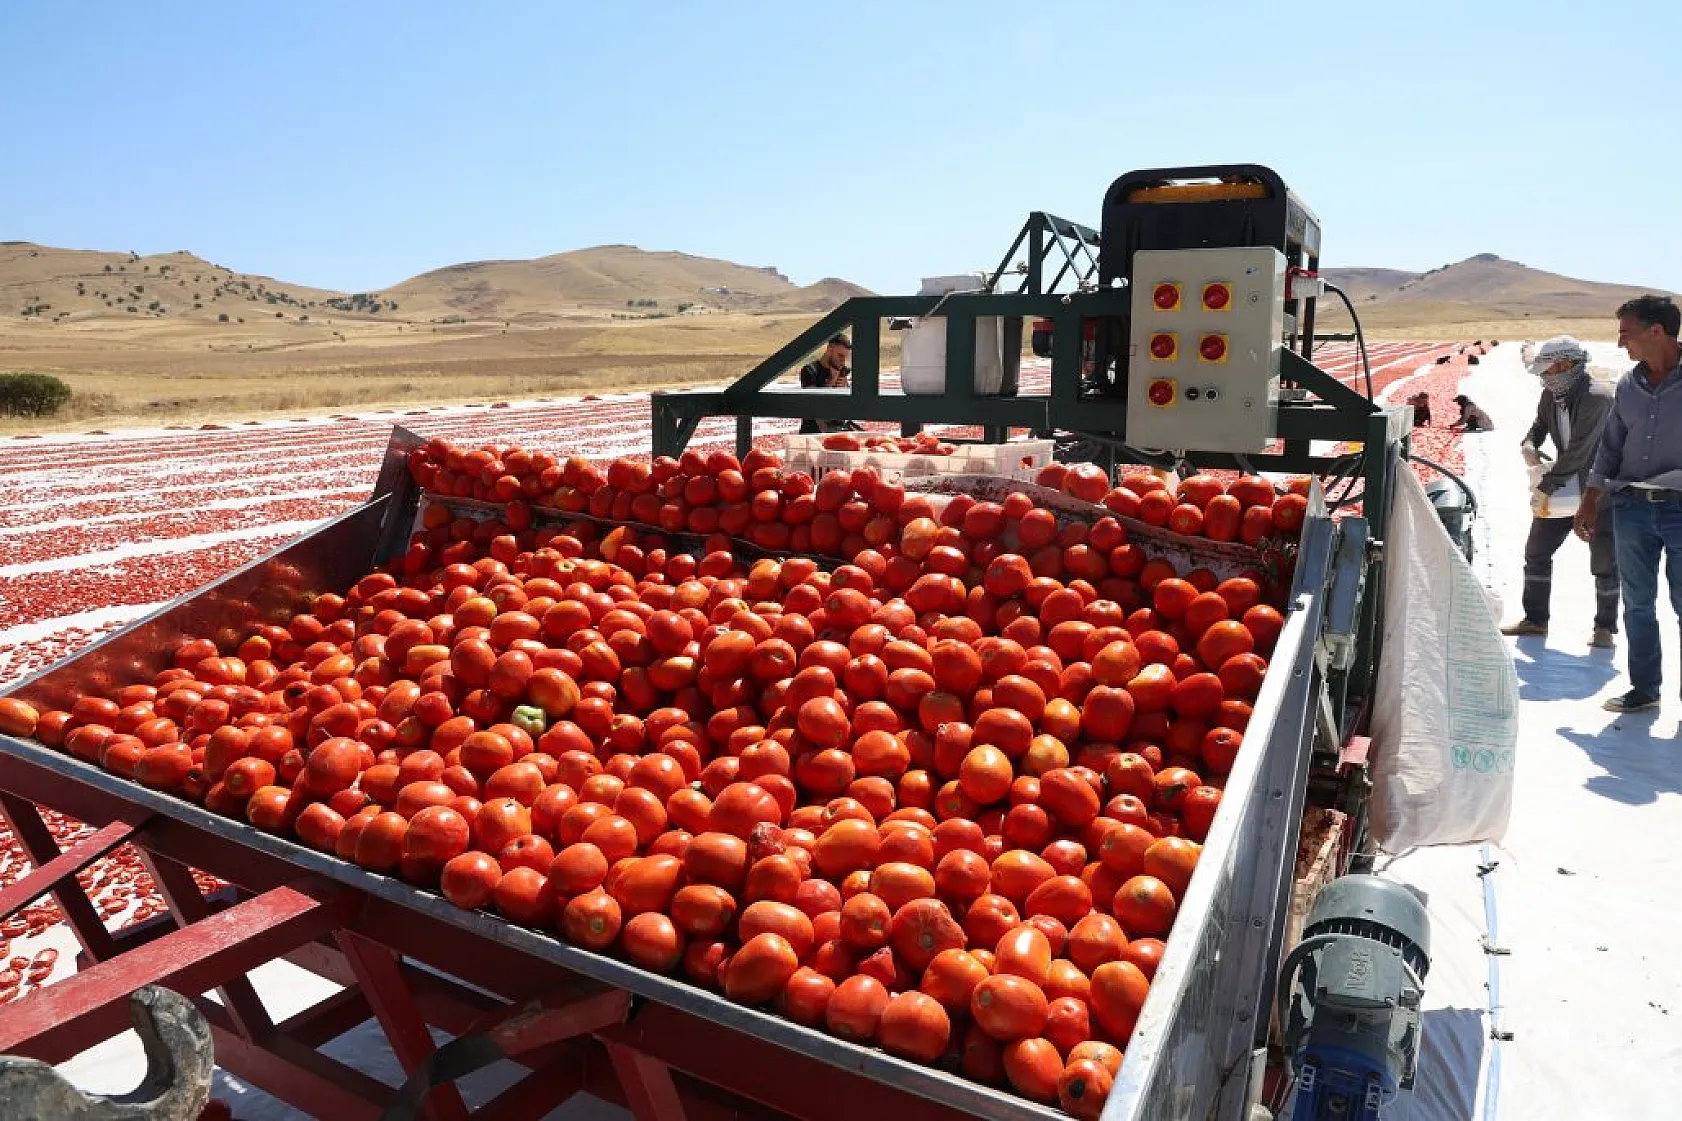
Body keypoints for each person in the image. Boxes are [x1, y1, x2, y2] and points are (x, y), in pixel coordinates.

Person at [1573, 295, 1682, 712]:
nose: (1621, 344)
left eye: (1626, 334)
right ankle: (1645, 689)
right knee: (1637, 603)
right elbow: (1610, 447)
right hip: (1632, 508)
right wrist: (1589, 501)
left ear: (1657, 332)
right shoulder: (1628, 385)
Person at [1500, 336, 1618, 646]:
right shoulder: (1551, 396)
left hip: (1598, 490)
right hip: (1565, 486)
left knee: (1604, 559)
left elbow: (1580, 451)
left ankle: (1605, 628)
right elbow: (1538, 426)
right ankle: (1535, 620)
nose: (1544, 376)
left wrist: (1546, 487)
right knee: (1536, 552)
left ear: (1568, 365)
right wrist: (1528, 445)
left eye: (1548, 369)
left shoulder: (1597, 397)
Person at [796, 333, 861, 435]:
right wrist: (831, 382)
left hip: (838, 430)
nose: (843, 361)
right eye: (840, 356)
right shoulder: (810, 370)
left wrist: (846, 388)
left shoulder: (843, 371)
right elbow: (813, 403)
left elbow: (852, 405)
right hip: (813, 433)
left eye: (845, 357)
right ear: (829, 349)